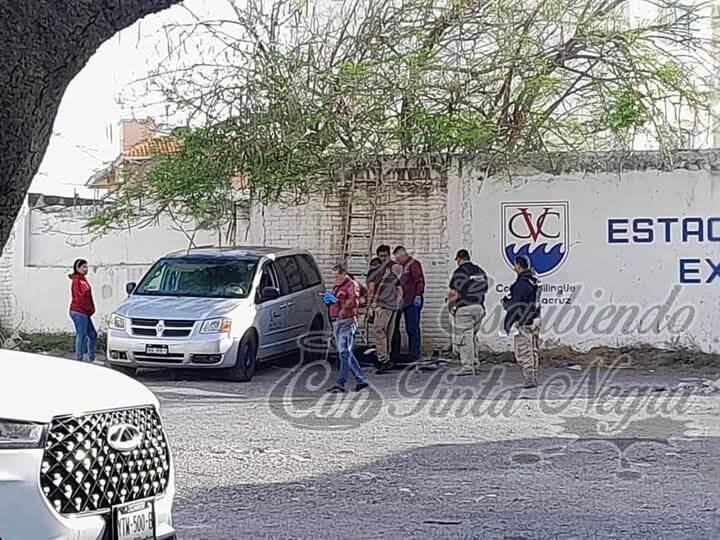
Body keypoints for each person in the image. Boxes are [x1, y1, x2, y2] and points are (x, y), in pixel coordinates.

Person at [324, 264, 370, 393]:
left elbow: (354, 302)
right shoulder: (337, 286)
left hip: (346, 321)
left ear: (344, 274)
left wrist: (336, 301)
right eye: (334, 277)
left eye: (337, 276)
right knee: (346, 353)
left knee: (344, 353)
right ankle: (361, 380)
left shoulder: (351, 285)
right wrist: (328, 301)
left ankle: (341, 383)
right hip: (337, 321)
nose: (335, 279)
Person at [502, 256, 542, 388]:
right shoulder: (534, 280)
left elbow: (516, 304)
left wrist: (508, 323)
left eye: (515, 265)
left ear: (519, 266)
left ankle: (529, 378)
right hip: (536, 318)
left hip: (524, 320)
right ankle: (533, 375)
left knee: (523, 350)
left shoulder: (521, 283)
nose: (514, 267)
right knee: (533, 348)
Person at [448, 249, 489, 375]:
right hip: (479, 308)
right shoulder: (479, 271)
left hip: (465, 308)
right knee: (471, 336)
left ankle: (467, 366)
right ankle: (475, 362)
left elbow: (453, 293)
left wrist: (450, 307)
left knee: (465, 338)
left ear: (459, 259)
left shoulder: (459, 272)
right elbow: (485, 288)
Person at [367, 261, 404, 374]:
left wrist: (370, 306)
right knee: (388, 333)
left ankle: (383, 360)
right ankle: (387, 358)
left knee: (378, 331)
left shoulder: (373, 273)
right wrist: (396, 305)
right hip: (392, 308)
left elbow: (371, 290)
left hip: (381, 307)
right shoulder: (392, 275)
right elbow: (400, 291)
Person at [391, 246, 425, 362]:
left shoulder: (413, 264)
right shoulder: (402, 267)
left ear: (403, 255)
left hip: (412, 300)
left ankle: (414, 353)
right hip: (403, 301)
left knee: (412, 327)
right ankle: (401, 352)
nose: (397, 261)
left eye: (397, 259)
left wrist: (418, 295)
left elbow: (419, 280)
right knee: (401, 327)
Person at [69, 259, 97, 363]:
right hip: (79, 311)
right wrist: (88, 309)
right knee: (81, 335)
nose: (86, 269)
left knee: (92, 335)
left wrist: (91, 308)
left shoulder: (83, 280)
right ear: (77, 268)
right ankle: (79, 359)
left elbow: (88, 296)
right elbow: (80, 298)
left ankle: (91, 357)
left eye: (86, 267)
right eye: (83, 267)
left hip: (84, 312)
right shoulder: (77, 281)